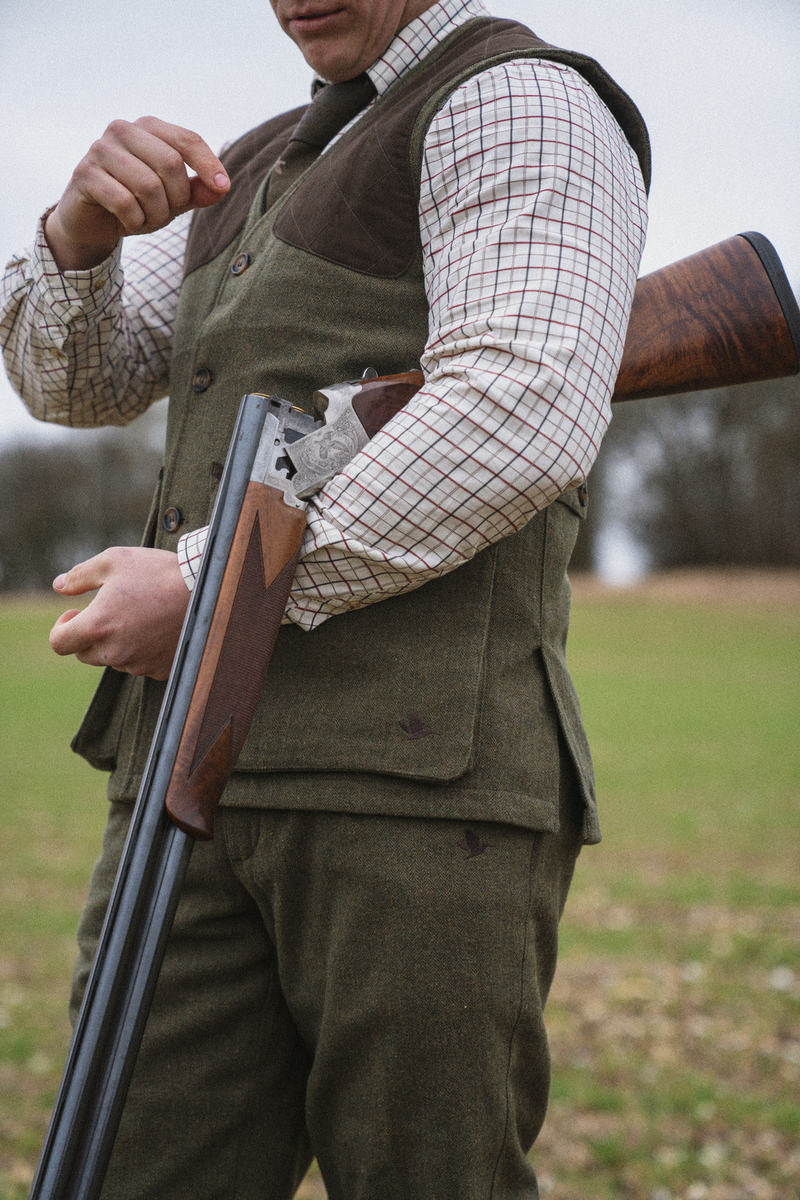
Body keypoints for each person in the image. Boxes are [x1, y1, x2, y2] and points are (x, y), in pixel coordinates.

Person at [1, 1, 649, 1196]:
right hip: (184, 779)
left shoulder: (521, 99)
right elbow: (74, 382)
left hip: (411, 792)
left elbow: (520, 409)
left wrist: (204, 593)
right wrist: (76, 235)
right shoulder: (251, 159)